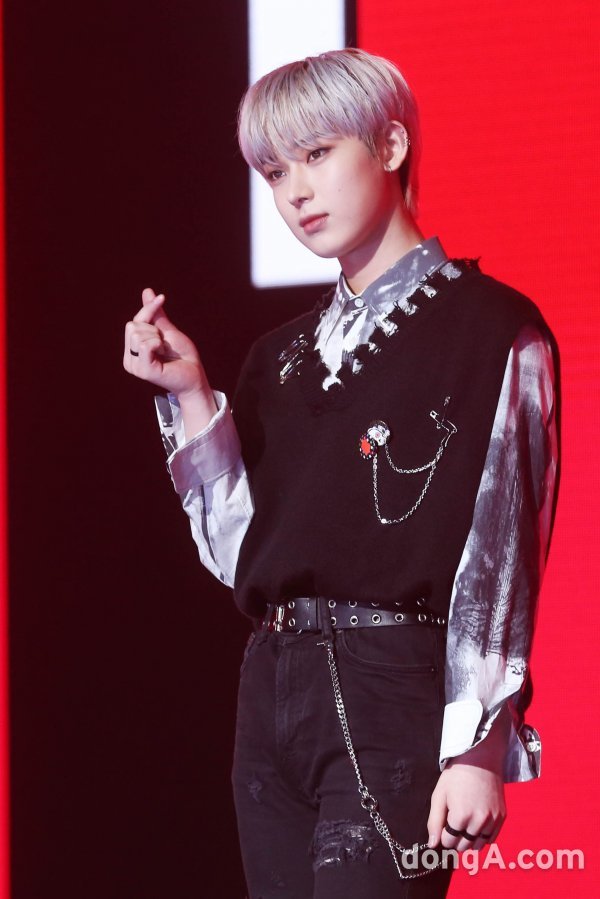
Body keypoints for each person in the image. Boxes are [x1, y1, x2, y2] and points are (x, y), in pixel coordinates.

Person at [123, 48, 559, 899]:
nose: (295, 191)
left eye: (317, 154)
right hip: (271, 689)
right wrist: (194, 398)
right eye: (275, 171)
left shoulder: (492, 329)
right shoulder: (277, 357)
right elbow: (242, 558)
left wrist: (477, 746)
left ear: (390, 145)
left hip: (390, 684)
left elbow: (502, 545)